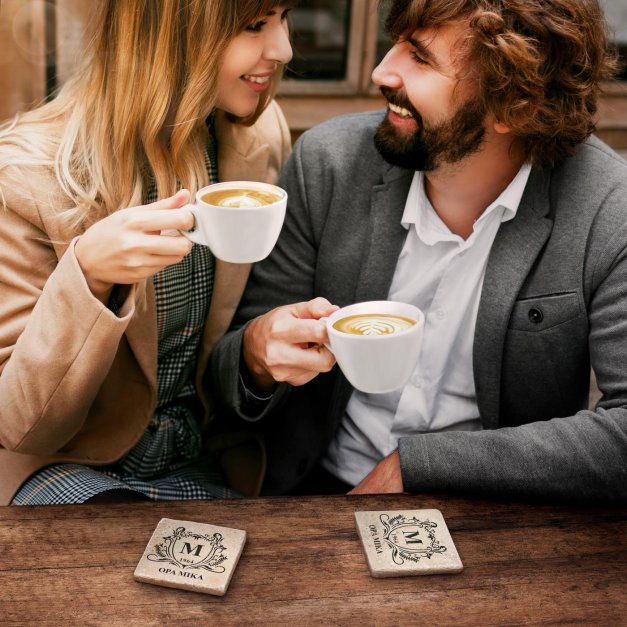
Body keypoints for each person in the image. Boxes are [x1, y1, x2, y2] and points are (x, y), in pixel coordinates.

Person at [211, 0, 627, 503]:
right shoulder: (329, 165)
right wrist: (257, 355)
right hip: (313, 498)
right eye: (396, 43)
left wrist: (423, 465)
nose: (381, 71)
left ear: (515, 107)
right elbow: (228, 379)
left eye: (421, 58)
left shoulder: (607, 207)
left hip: (495, 514)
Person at [0, 0, 295, 505]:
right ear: (168, 34)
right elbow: (20, 425)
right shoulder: (27, 174)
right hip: (67, 468)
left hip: (206, 458)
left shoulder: (259, 138)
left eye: (285, 17)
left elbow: (236, 342)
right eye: (254, 26)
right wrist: (87, 277)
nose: (284, 49)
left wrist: (263, 351)